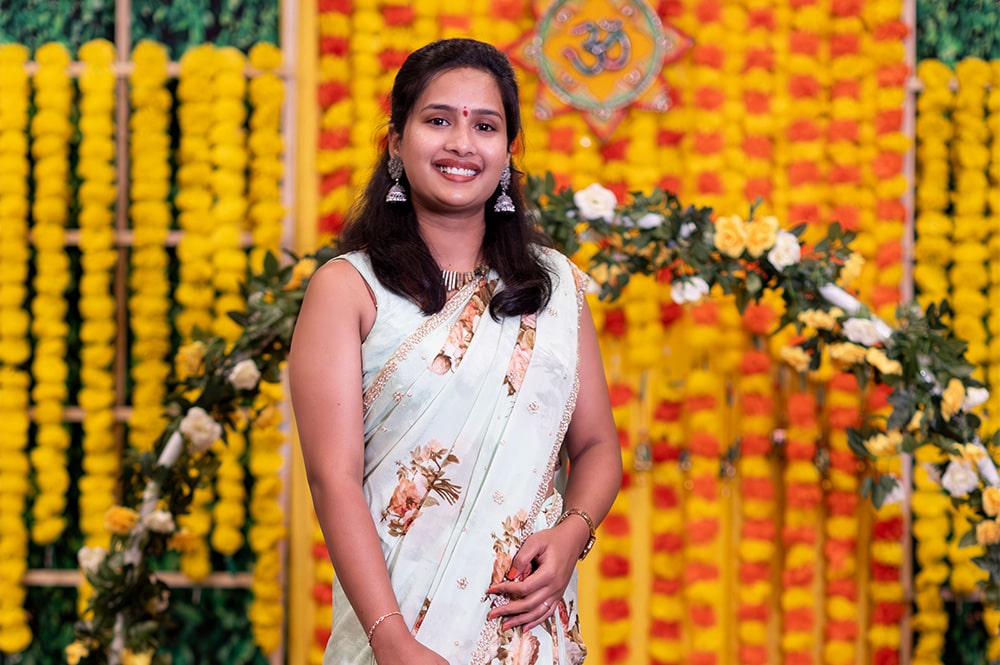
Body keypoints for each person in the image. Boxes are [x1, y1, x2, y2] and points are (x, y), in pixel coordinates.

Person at [288, 38, 622, 665]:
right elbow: (333, 478)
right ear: (396, 141)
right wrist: (392, 640)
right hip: (397, 632)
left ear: (509, 150)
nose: (462, 144)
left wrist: (573, 532)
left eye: (485, 126)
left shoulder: (553, 287)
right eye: (438, 120)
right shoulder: (349, 289)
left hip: (527, 630)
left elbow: (599, 446)